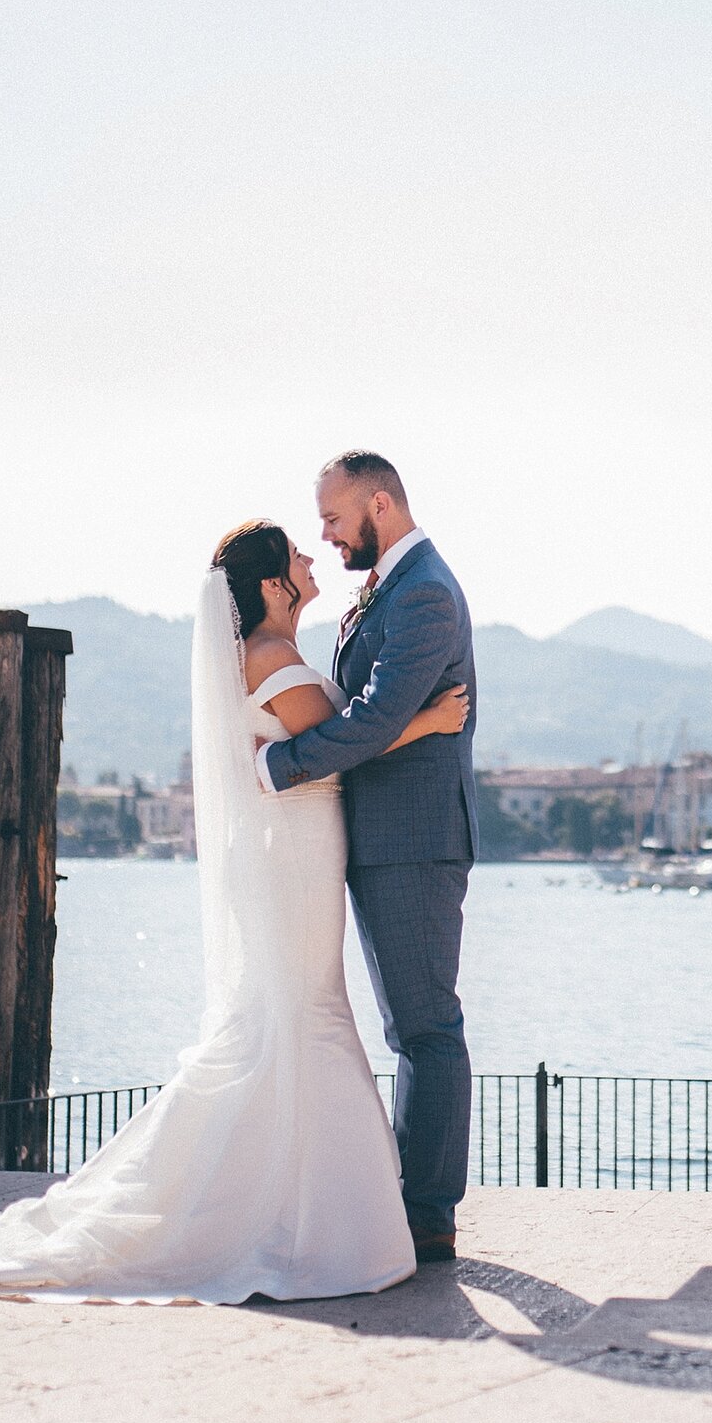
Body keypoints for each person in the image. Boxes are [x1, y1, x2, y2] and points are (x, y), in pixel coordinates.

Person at [0, 518, 468, 1304]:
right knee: (305, 1014)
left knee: (293, 1015)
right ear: (273, 585)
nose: (312, 556)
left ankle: (300, 1204)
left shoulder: (270, 653)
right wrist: (430, 724)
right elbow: (343, 741)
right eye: (298, 555)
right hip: (294, 859)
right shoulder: (270, 658)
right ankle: (317, 1220)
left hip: (295, 854)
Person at [257, 451, 479, 1264]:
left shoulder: (422, 593)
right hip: (384, 838)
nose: (324, 533)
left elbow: (376, 720)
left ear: (379, 505)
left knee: (426, 1028)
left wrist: (274, 767)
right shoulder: (393, 587)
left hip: (413, 842)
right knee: (410, 1028)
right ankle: (409, 1203)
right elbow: (370, 715)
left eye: (333, 517)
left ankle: (427, 1216)